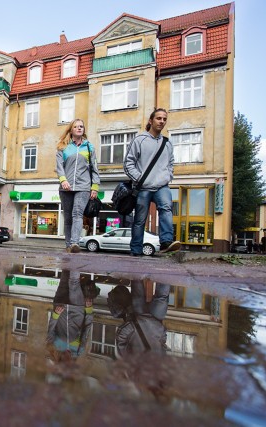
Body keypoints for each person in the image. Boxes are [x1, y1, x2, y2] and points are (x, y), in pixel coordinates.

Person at [123, 108, 181, 256]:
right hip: (143, 188)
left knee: (166, 208)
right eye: (158, 118)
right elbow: (128, 163)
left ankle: (166, 242)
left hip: (162, 185)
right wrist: (140, 178)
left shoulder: (167, 143)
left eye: (164, 119)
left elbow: (171, 163)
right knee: (140, 220)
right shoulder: (139, 140)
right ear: (151, 121)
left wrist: (168, 176)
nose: (162, 121)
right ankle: (136, 250)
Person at [56, 119, 100, 253]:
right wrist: (63, 180)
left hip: (83, 186)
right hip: (66, 187)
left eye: (81, 126)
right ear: (71, 130)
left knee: (77, 213)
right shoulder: (62, 147)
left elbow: (94, 168)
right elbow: (59, 167)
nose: (79, 128)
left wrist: (95, 186)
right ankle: (68, 244)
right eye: (76, 127)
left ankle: (75, 243)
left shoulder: (89, 147)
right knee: (68, 217)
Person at [107, 280, 170, 357]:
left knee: (137, 286)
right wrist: (161, 331)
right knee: (162, 296)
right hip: (156, 319)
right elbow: (163, 344)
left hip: (138, 315)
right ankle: (168, 269)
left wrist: (133, 324)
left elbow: (121, 337)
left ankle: (137, 268)